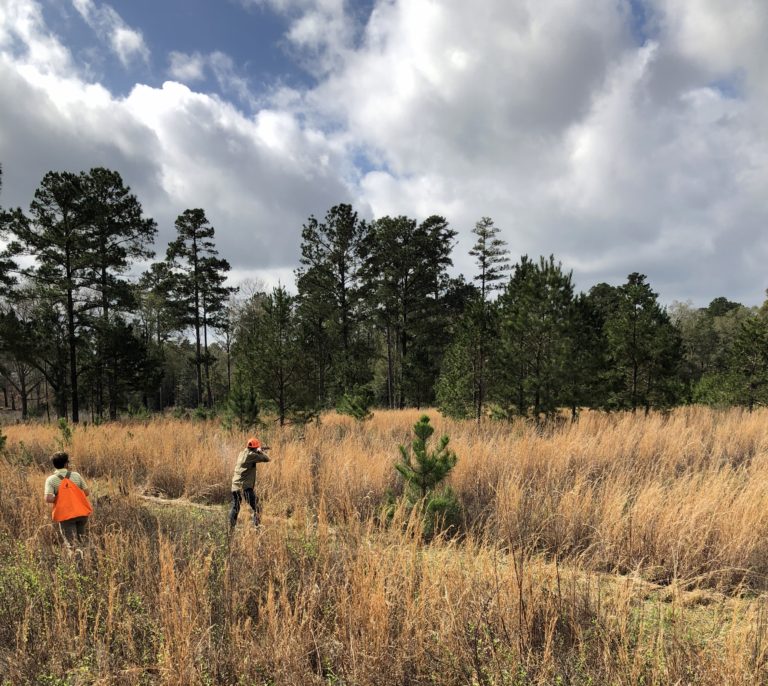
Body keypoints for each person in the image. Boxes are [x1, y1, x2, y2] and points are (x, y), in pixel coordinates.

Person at [44, 451, 92, 550]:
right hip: (82, 514)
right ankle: (86, 561)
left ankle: (77, 564)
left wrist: (62, 498)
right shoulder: (76, 476)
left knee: (72, 545)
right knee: (82, 541)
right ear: (66, 464)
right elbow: (86, 492)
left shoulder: (51, 480)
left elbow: (48, 498)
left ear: (54, 465)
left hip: (66, 516)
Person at [229, 437, 270, 528]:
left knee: (235, 507)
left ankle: (231, 528)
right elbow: (267, 459)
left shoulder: (241, 453)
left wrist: (257, 450)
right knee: (257, 507)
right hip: (245, 487)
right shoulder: (252, 455)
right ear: (255, 448)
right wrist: (260, 451)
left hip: (235, 486)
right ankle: (257, 527)